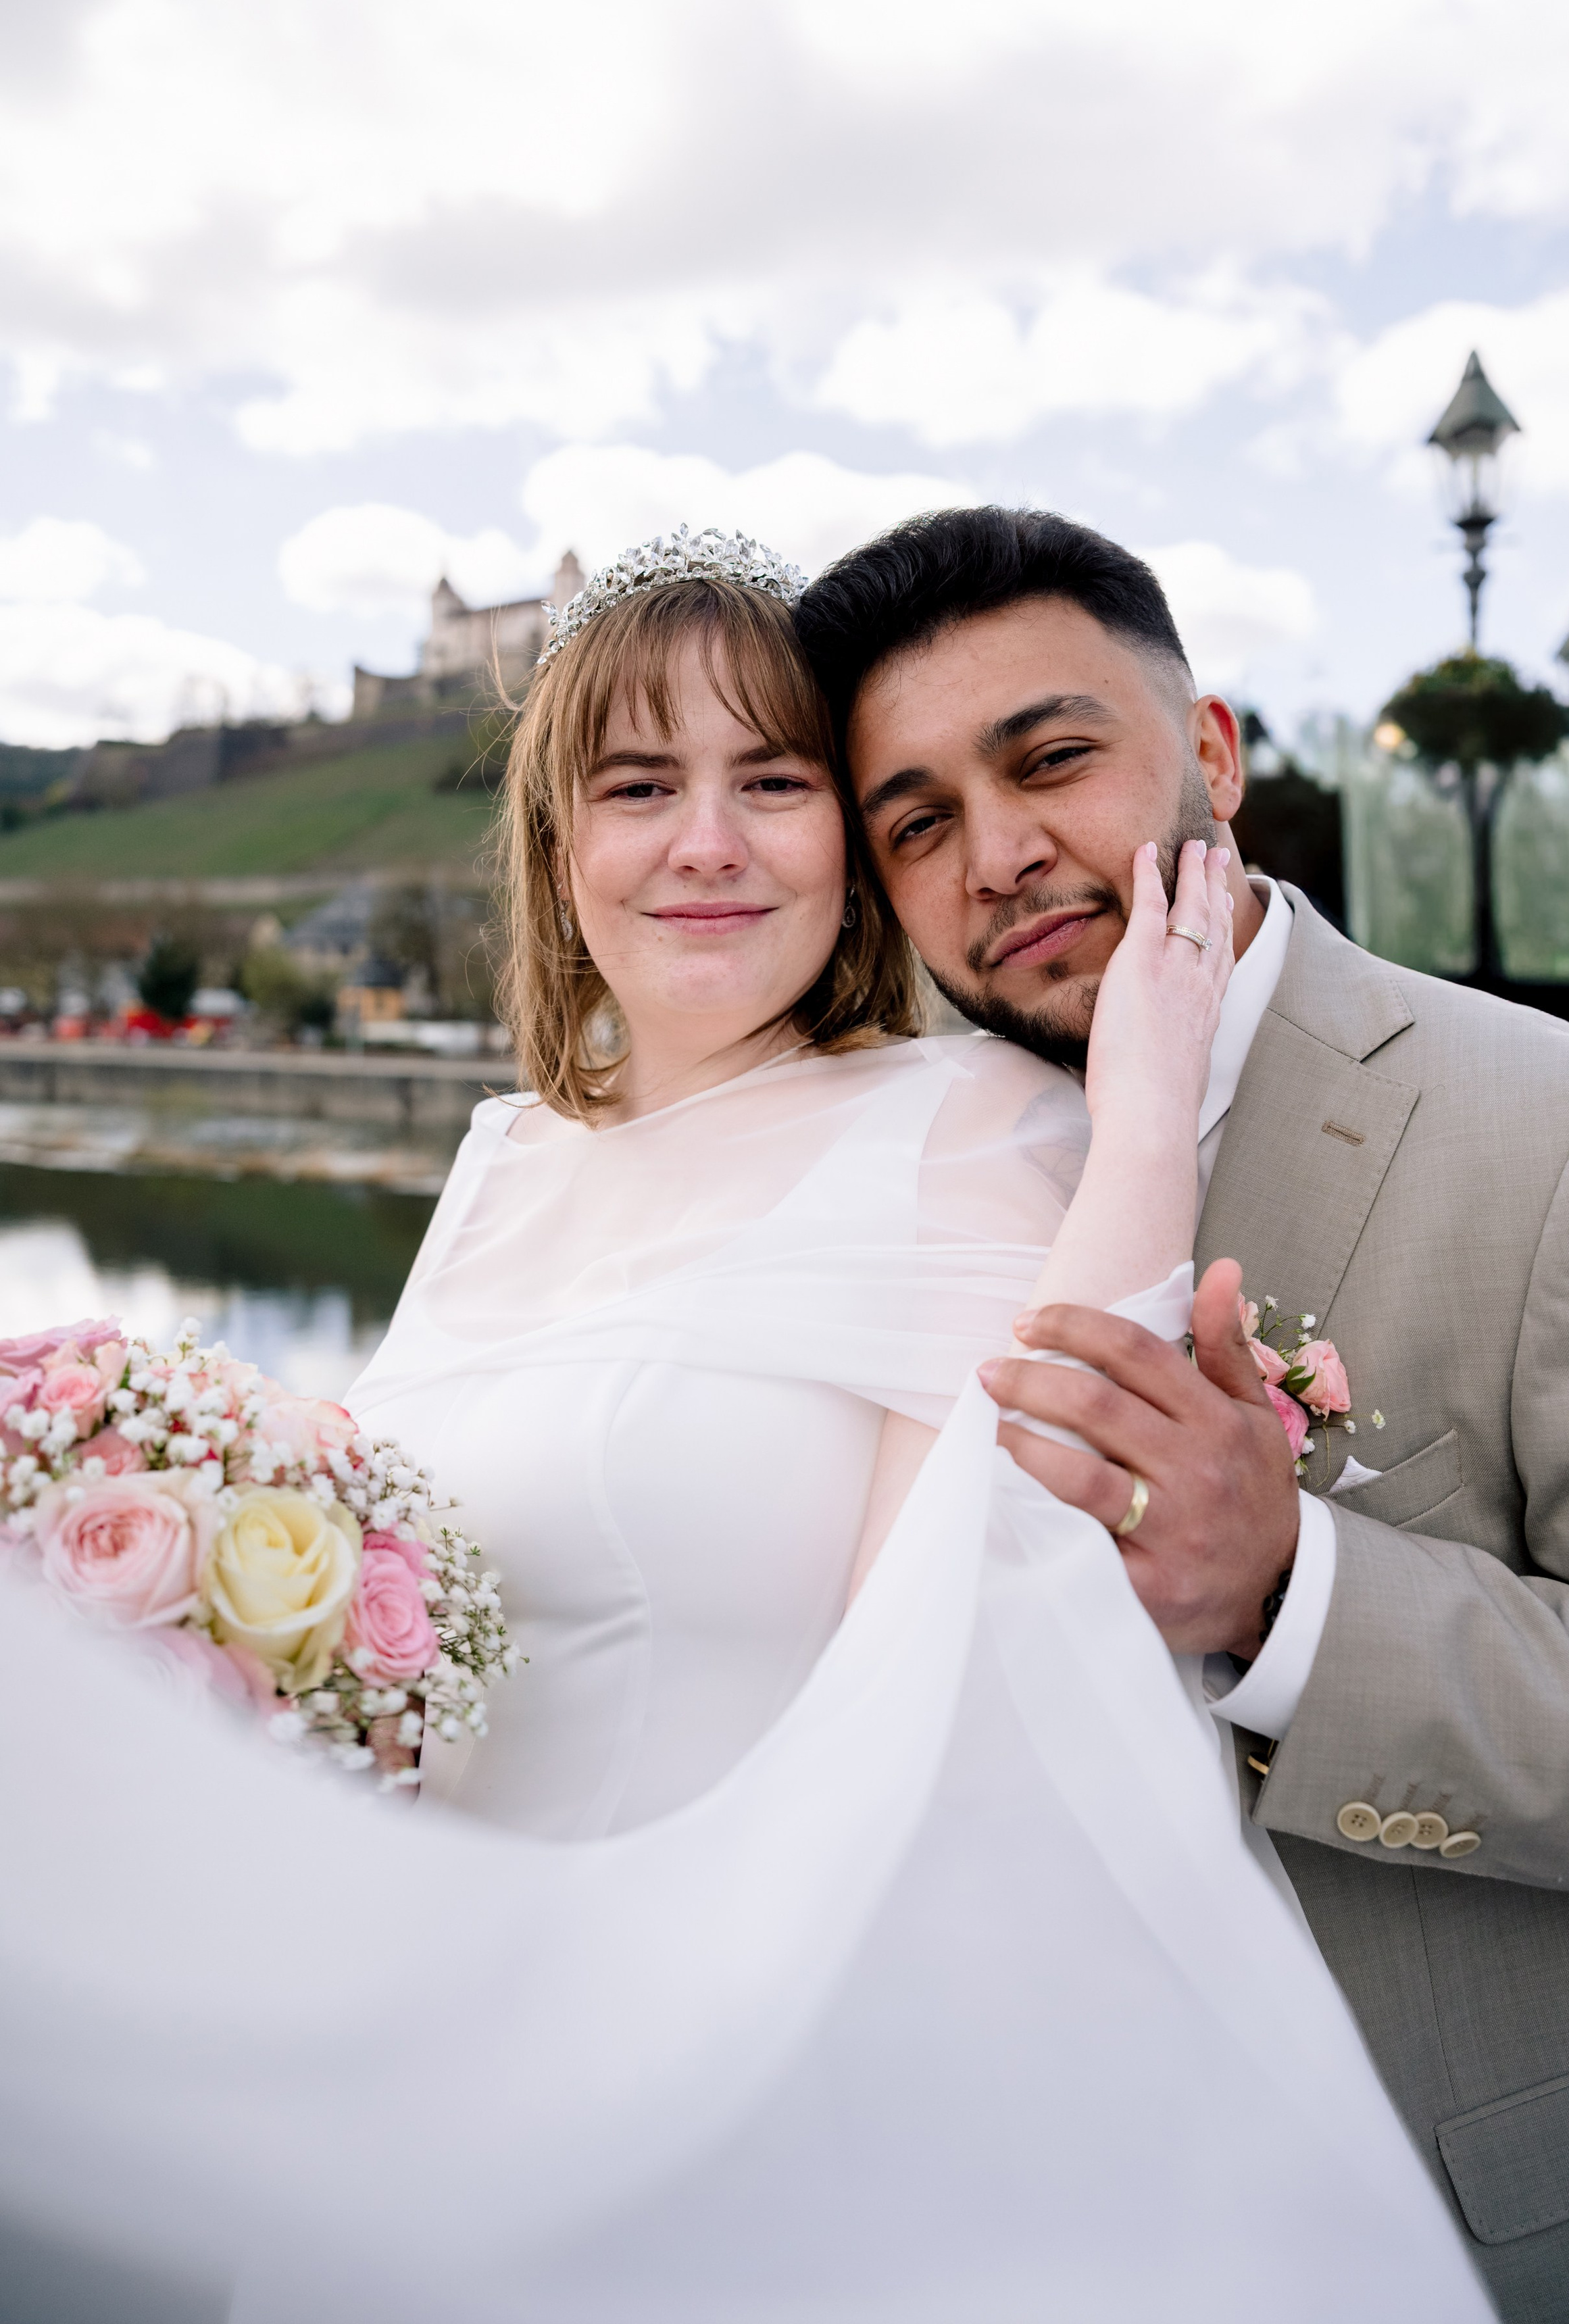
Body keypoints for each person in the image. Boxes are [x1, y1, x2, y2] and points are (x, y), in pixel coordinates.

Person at [0, 526, 1493, 2321]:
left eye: (771, 783)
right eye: (640, 786)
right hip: (425, 2070)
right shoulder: (503, 1159)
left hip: (740, 2084)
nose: (707, 840)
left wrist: (1145, 1118)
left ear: (846, 849)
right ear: (559, 851)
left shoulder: (967, 1129)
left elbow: (993, 1628)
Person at [796, 501, 1569, 2324]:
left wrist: (1296, 1590)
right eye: (918, 823)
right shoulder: (906, 1184)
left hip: (1502, 2229)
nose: (1000, 854)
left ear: (1210, 753)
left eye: (1050, 760)